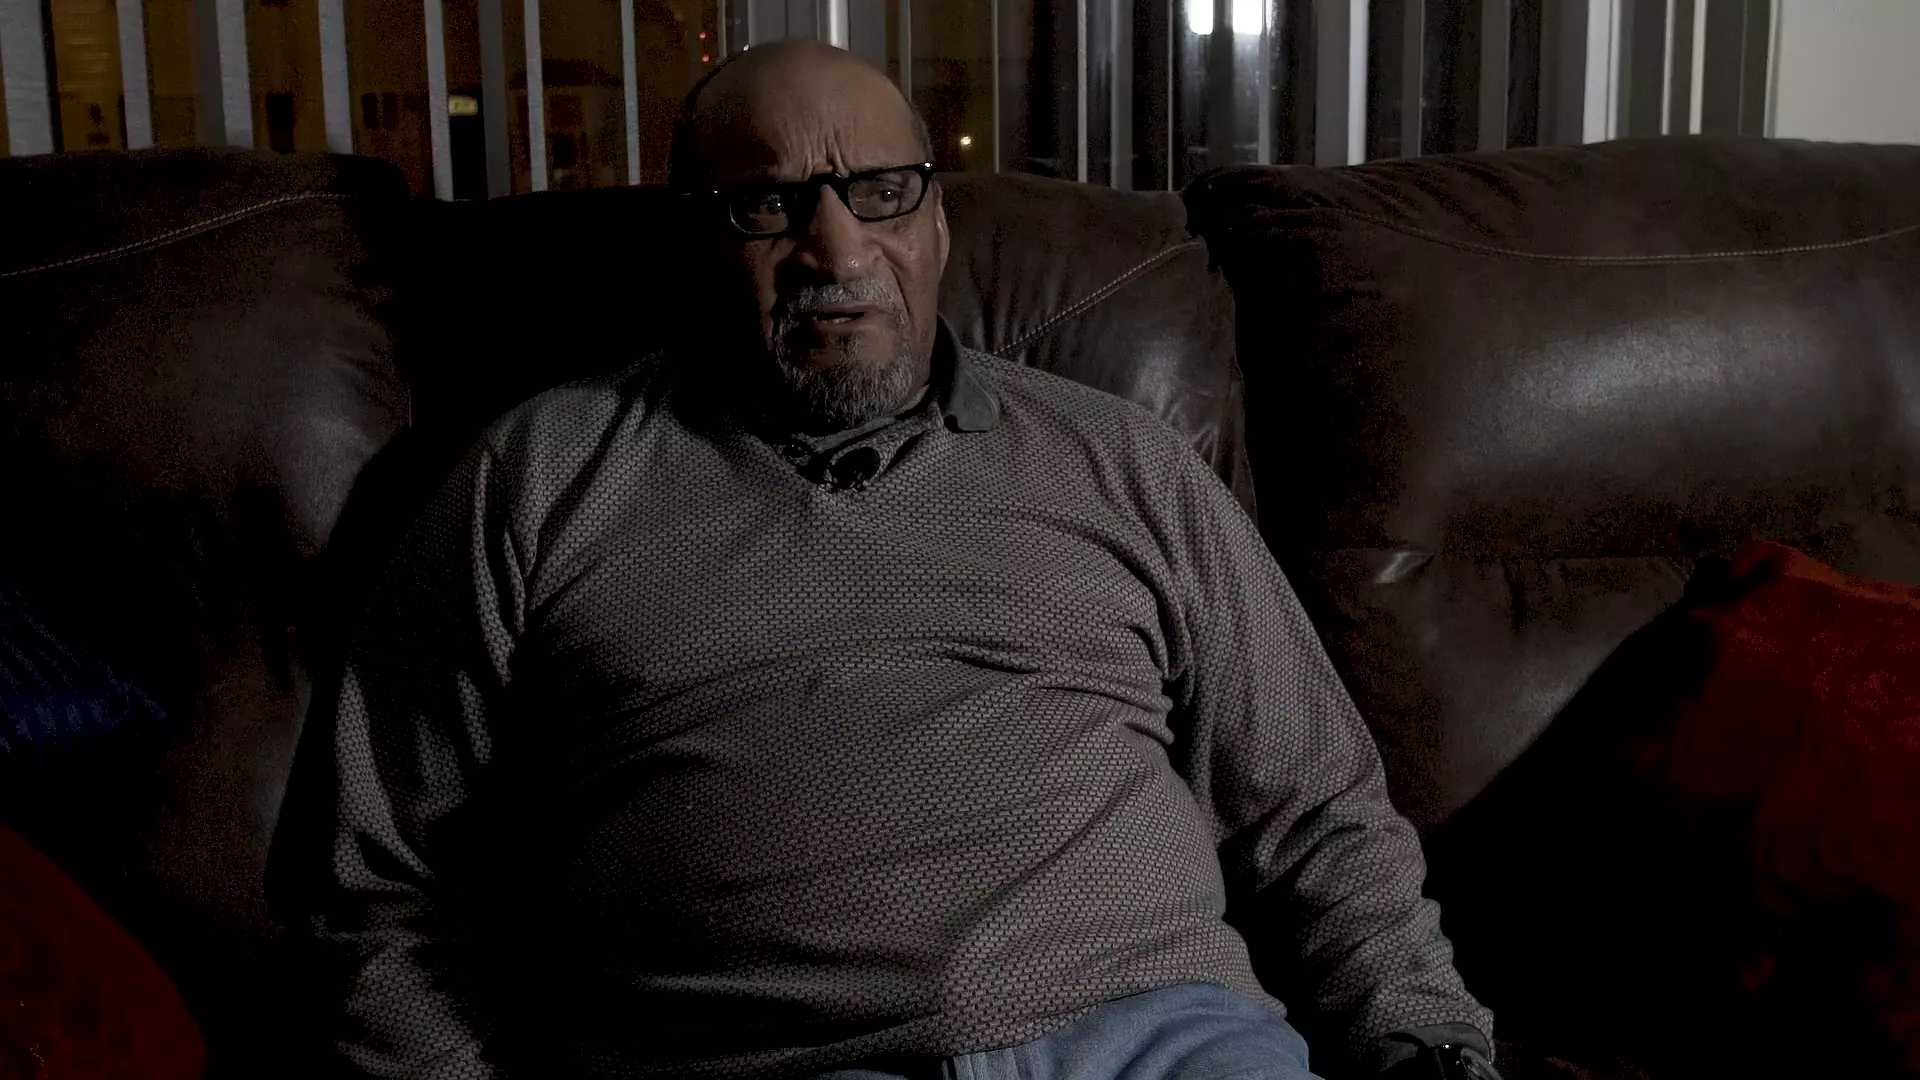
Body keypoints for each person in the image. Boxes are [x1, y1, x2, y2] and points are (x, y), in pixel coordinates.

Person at [271, 38, 1502, 1080]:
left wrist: (1429, 1049)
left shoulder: (1125, 462)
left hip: (1158, 1040)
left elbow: (1318, 810)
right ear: (691, 239)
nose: (838, 250)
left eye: (881, 192)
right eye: (770, 205)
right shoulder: (541, 480)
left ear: (939, 221)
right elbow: (374, 891)